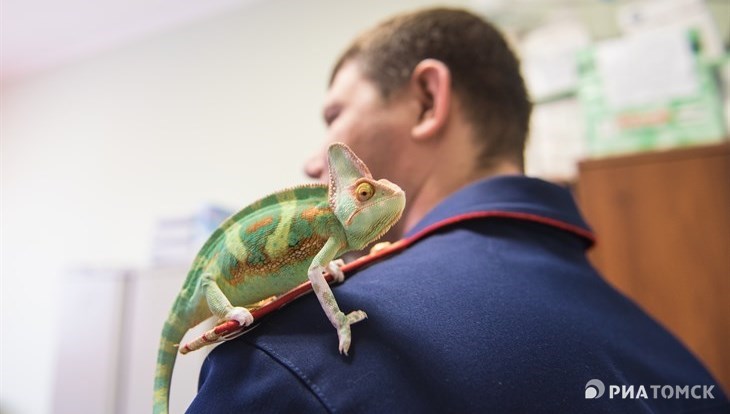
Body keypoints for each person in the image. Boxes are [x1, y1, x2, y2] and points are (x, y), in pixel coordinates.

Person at [188, 8, 728, 413]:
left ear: (427, 100)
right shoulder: (684, 367)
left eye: (336, 114)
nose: (313, 161)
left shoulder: (295, 349)